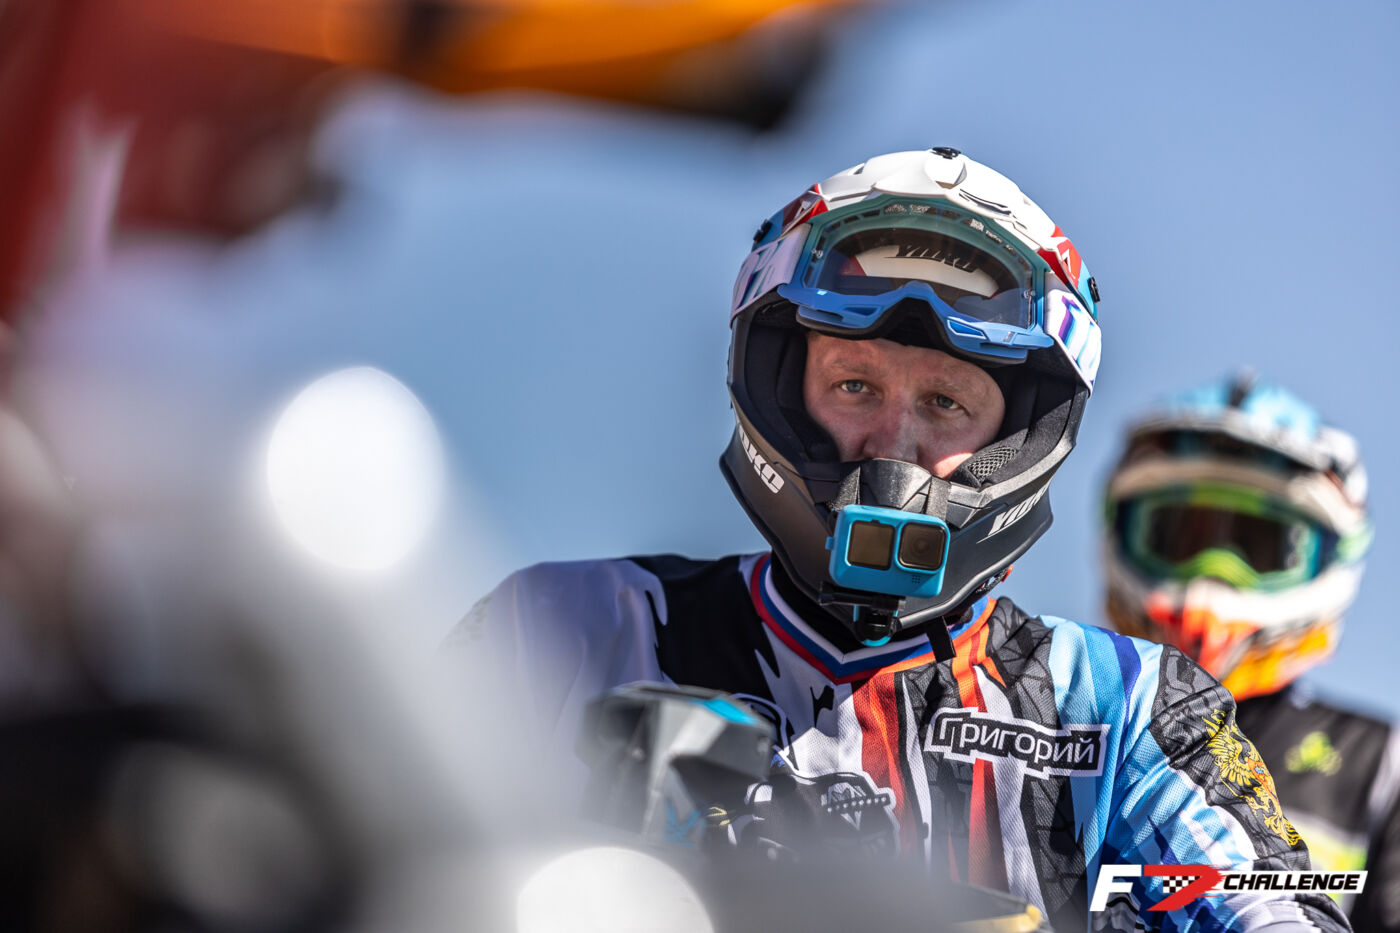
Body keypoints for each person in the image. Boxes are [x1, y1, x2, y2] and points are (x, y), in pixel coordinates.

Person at [448, 149, 1348, 932]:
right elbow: (379, 866)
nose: (893, 446)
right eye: (855, 386)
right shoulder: (561, 629)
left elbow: (1278, 913)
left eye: (946, 402)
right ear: (781, 389)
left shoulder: (1122, 706)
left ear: (1017, 440)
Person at [1103, 371, 1398, 931]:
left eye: (1256, 545)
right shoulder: (1048, 718)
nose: (1212, 573)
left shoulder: (1380, 766)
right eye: (1184, 537)